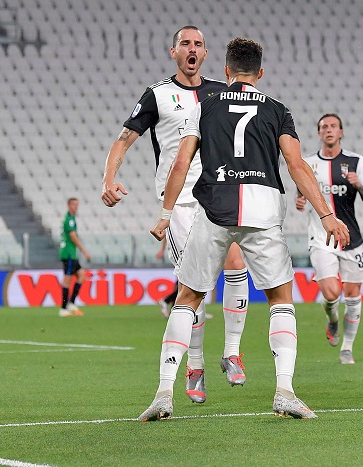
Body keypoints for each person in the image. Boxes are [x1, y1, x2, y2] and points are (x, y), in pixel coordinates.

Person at [138, 37, 350, 421]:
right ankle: (284, 389)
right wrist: (326, 215)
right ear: (261, 73)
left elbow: (181, 163)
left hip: (215, 207)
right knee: (281, 300)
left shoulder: (204, 106)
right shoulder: (277, 109)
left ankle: (164, 393)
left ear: (225, 71)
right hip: (263, 211)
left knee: (186, 298)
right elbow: (298, 166)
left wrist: (167, 213)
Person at [102, 25, 249, 403]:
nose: (192, 49)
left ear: (206, 53)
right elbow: (123, 139)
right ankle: (194, 366)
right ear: (174, 52)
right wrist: (109, 178)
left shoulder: (221, 91)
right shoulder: (158, 95)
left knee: (236, 266)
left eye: (199, 44)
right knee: (193, 289)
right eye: (185, 43)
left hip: (218, 193)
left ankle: (232, 352)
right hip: (180, 200)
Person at [296, 113, 363, 364]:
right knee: (331, 293)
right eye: (324, 127)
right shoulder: (307, 163)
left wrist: (359, 185)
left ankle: (347, 349)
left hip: (352, 239)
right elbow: (301, 192)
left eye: (333, 126)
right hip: (321, 238)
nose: (329, 130)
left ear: (341, 132)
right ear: (319, 133)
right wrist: (300, 200)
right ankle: (332, 320)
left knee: (353, 298)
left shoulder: (355, 161)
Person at [59, 197, 91, 317]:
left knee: (81, 275)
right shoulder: (69, 220)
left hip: (72, 254)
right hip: (68, 254)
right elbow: (73, 236)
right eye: (73, 205)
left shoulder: (71, 218)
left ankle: (71, 303)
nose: (76, 207)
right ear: (68, 205)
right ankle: (63, 309)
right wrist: (84, 251)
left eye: (77, 205)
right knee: (67, 280)